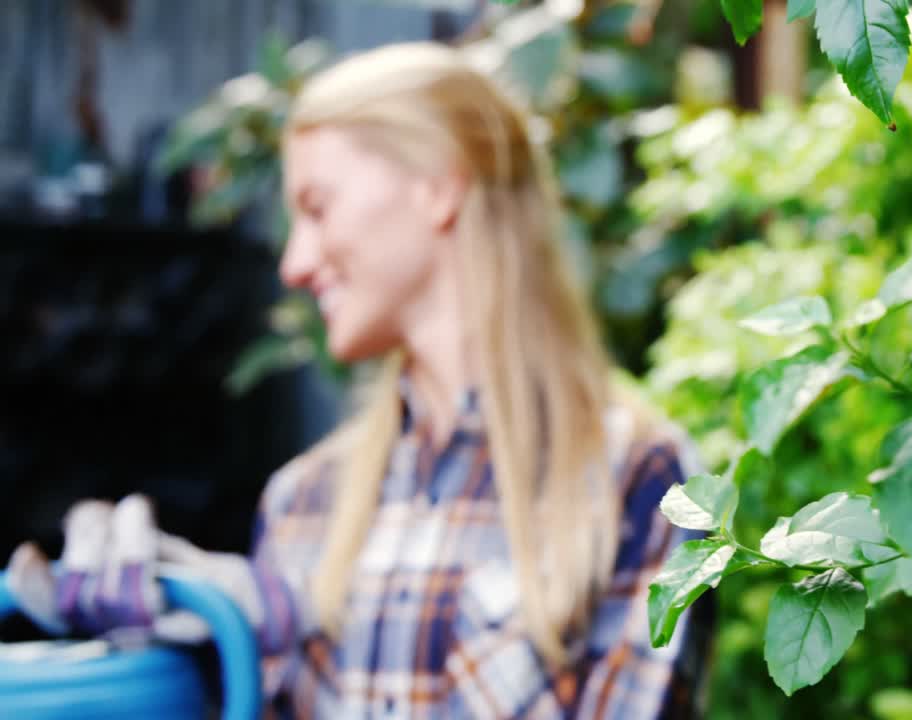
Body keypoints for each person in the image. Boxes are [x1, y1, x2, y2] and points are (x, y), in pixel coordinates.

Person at [5, 41, 710, 719]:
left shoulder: (640, 482)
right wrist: (196, 651)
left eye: (316, 208)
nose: (294, 264)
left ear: (438, 186)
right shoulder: (306, 503)